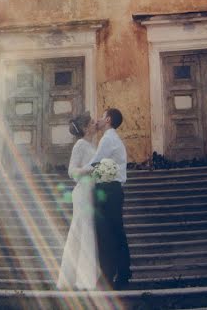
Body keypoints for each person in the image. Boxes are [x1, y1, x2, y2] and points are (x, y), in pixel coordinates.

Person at [56, 112, 101, 290]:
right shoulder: (80, 145)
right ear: (85, 128)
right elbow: (72, 172)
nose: (95, 123)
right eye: (91, 122)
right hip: (82, 193)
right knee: (83, 232)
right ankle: (83, 279)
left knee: (87, 233)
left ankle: (86, 276)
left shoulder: (91, 144)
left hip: (91, 191)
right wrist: (92, 168)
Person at [89, 107, 132, 289]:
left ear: (108, 120)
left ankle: (108, 276)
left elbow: (95, 163)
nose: (97, 120)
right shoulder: (112, 138)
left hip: (108, 190)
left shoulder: (108, 139)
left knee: (106, 234)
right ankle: (122, 272)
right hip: (113, 190)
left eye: (101, 116)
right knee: (115, 232)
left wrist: (76, 171)